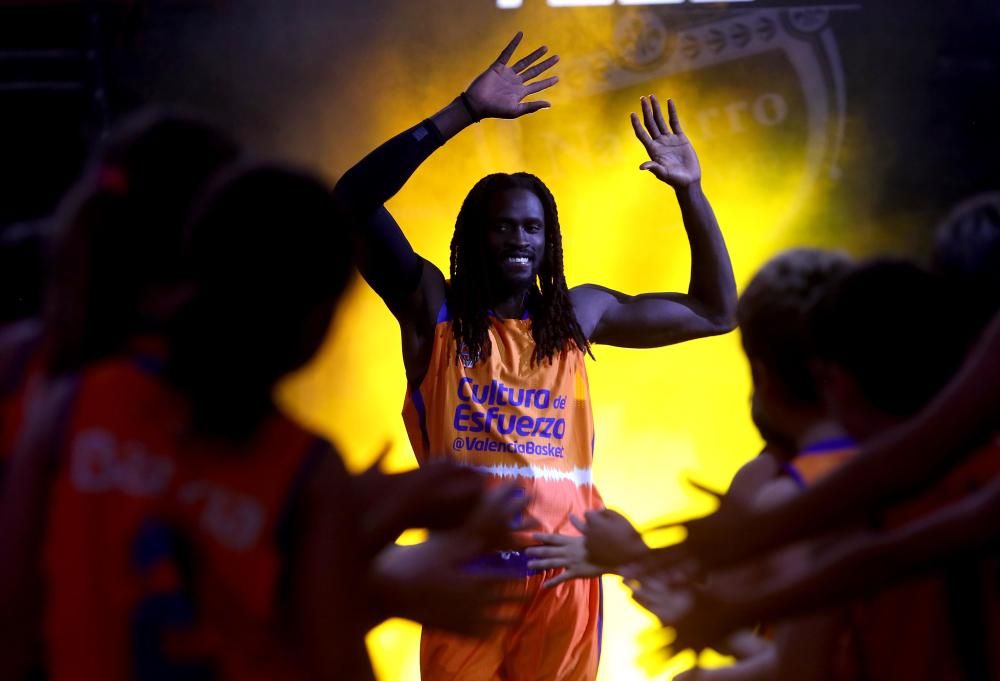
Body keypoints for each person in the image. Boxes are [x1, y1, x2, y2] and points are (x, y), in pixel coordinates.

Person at [334, 30, 737, 681]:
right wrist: (461, 112)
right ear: (474, 236)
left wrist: (690, 191)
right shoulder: (432, 310)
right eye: (501, 225)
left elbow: (716, 312)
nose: (518, 238)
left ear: (549, 241)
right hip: (467, 575)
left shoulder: (580, 316)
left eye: (532, 226)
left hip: (565, 572)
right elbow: (351, 202)